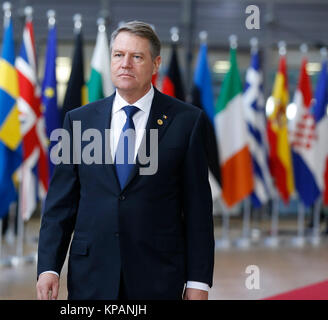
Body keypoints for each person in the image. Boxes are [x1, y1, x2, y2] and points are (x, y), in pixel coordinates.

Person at [36, 21, 214, 300]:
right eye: (118, 55)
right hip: (91, 276)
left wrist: (198, 282)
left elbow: (197, 211)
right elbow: (60, 204)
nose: (125, 64)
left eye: (137, 57)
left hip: (157, 276)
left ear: (155, 64)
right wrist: (49, 268)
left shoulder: (186, 122)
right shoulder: (79, 121)